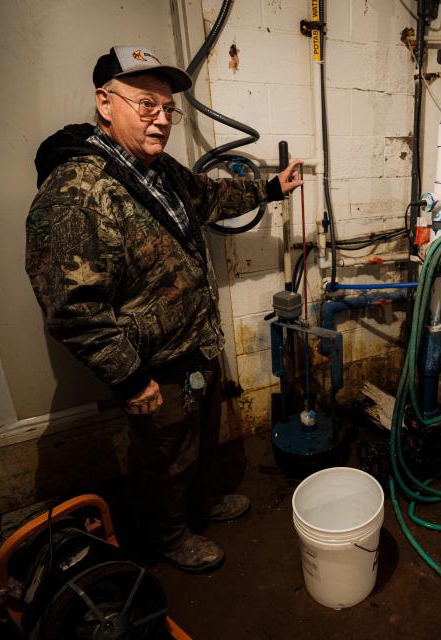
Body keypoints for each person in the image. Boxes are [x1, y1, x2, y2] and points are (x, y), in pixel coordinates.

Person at [25, 44, 302, 573]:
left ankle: (197, 507)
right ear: (105, 103)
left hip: (193, 344)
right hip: (153, 365)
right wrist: (130, 379)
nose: (161, 119)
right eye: (145, 105)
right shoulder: (78, 194)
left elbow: (208, 197)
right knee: (164, 458)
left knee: (195, 443)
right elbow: (71, 309)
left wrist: (269, 188)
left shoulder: (157, 170)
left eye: (168, 108)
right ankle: (168, 537)